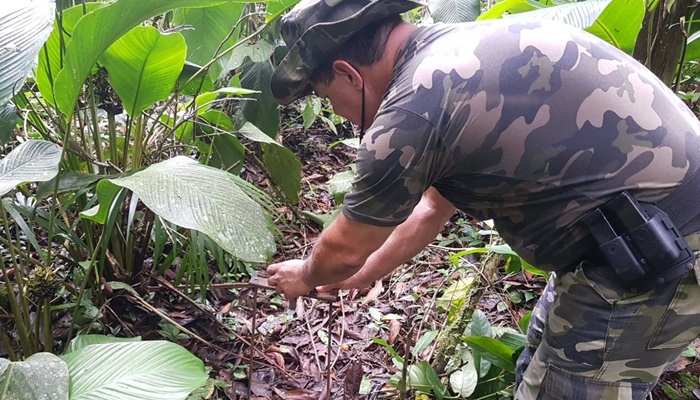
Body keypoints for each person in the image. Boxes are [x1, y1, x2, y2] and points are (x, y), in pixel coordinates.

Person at [265, 0, 700, 398]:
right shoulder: (458, 54)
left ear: (347, 72)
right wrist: (364, 276)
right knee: (538, 365)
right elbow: (432, 209)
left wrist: (305, 275)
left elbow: (343, 249)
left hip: (662, 251)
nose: (339, 113)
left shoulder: (412, 112)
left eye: (328, 99)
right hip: (628, 238)